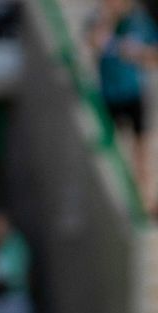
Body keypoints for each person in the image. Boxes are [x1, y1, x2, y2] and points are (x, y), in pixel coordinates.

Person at [86, 0, 158, 213]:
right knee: (111, 151)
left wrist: (137, 53)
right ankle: (121, 199)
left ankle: (144, 200)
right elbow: (94, 43)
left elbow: (154, 56)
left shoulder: (140, 24)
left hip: (133, 92)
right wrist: (107, 19)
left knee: (141, 151)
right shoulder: (99, 20)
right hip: (108, 94)